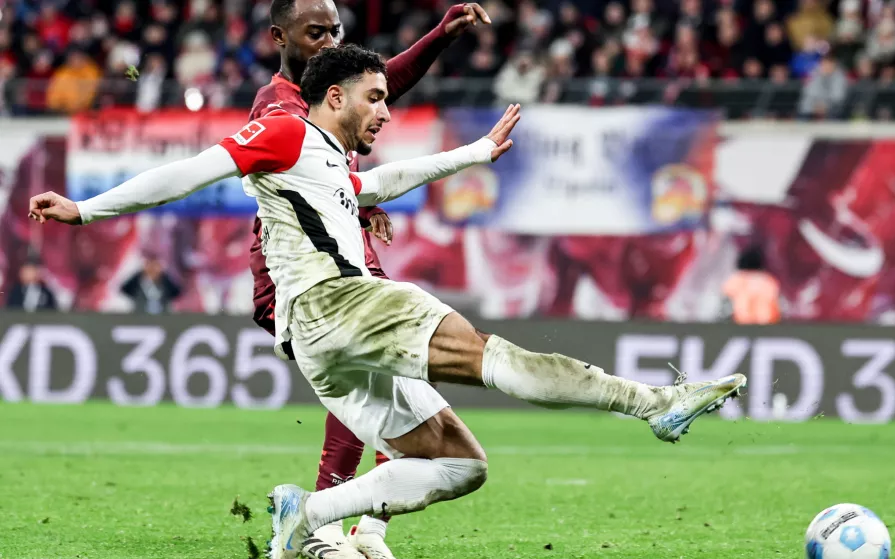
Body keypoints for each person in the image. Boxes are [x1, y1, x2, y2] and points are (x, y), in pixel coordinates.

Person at [26, 45, 746, 559]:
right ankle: (653, 404)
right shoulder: (286, 130)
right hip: (337, 303)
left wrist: (473, 154)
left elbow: (381, 182)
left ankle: (308, 513)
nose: (385, 111)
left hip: (320, 342)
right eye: (375, 97)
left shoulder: (327, 161)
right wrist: (86, 210)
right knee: (491, 356)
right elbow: (192, 171)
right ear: (335, 96)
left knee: (462, 465)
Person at [246, 1, 492, 558]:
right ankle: (326, 522)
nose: (330, 42)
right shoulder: (280, 105)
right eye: (316, 33)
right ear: (280, 37)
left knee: (389, 376)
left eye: (335, 31)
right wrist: (358, 202)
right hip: (300, 269)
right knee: (370, 378)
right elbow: (304, 178)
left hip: (342, 254)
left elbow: (380, 87)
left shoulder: (331, 96)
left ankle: (361, 527)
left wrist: (440, 36)